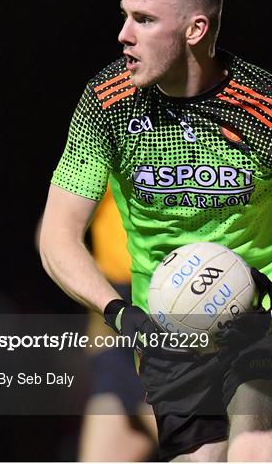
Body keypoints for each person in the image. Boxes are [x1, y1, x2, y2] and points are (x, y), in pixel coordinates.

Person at [39, 0, 272, 462]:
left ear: (195, 30)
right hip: (165, 335)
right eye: (125, 17)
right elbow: (57, 235)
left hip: (265, 326)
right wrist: (120, 313)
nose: (123, 35)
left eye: (143, 19)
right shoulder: (106, 106)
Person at [78, 186, 158, 462]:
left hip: (178, 299)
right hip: (116, 299)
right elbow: (51, 233)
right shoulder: (99, 150)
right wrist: (94, 288)